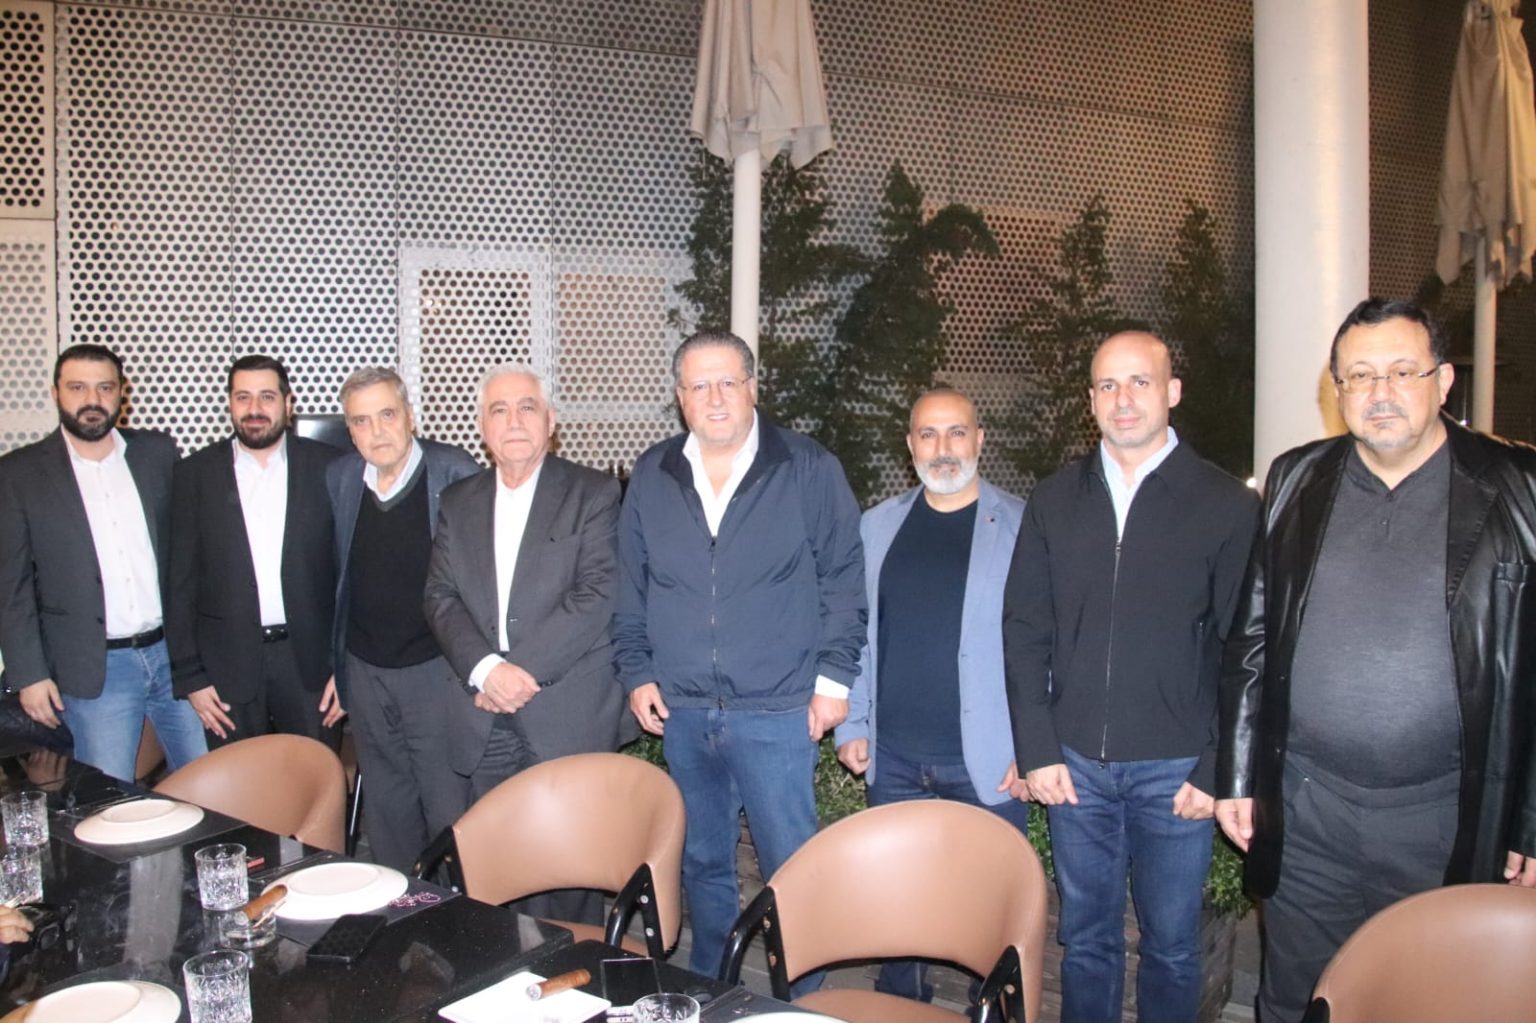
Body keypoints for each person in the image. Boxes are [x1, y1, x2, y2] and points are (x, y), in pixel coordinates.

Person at [1215, 298, 1536, 1022]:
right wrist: (1237, 776)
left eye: (1401, 371)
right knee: (1296, 998)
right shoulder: (1296, 478)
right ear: (1337, 389)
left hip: (1447, 818)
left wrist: (1532, 823)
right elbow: (1253, 636)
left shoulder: (1518, 486)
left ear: (1443, 380)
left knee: (1432, 1001)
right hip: (1309, 812)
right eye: (1359, 375)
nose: (1380, 392)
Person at [1004, 331, 1260, 1023]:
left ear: (1172, 391)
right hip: (1075, 767)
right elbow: (1024, 630)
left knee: (1172, 948)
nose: (1123, 399)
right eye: (1108, 385)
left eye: (1139, 382)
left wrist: (1218, 764)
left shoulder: (1226, 504)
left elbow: (1245, 646)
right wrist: (1038, 747)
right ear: (1091, 399)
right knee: (1085, 941)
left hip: (1176, 772)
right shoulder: (1055, 500)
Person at [613, 331, 866, 978]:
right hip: (685, 709)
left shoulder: (806, 466)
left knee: (791, 864)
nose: (716, 397)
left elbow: (843, 577)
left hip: (778, 709)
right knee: (702, 861)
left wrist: (834, 680)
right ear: (680, 397)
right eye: (699, 385)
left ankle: (803, 996)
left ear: (754, 387)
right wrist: (637, 670)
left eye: (729, 381)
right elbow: (630, 584)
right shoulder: (653, 473)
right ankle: (711, 988)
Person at [835, 386, 1028, 1005]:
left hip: (989, 762)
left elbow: (1045, 648)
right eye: (928, 434)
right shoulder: (877, 525)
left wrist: (1035, 748)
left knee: (991, 916)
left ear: (980, 439)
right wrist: (853, 723)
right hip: (893, 759)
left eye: (956, 432)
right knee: (897, 910)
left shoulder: (1023, 526)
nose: (943, 448)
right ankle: (898, 1011)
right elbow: (859, 633)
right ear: (910, 444)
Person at [422, 363, 625, 920]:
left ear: (550, 421)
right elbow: (439, 595)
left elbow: (597, 593)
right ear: (482, 427)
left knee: (571, 868)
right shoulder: (457, 501)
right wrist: (486, 670)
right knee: (497, 866)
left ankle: (573, 972)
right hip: (483, 713)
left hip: (566, 712)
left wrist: (516, 673)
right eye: (499, 410)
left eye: (527, 407)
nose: (513, 421)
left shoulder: (593, 493)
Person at [0, 345, 207, 780]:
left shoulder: (157, 454)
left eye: (104, 388)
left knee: (209, 781)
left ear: (121, 393)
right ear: (56, 393)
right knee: (109, 797)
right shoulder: (19, 474)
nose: (92, 400)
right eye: (78, 388)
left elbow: (190, 553)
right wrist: (29, 675)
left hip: (173, 656)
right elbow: (11, 585)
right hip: (96, 669)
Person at [326, 367, 479, 873]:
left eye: (387, 415)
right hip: (366, 671)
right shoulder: (341, 478)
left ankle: (459, 910)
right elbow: (335, 577)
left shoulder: (453, 472)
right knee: (388, 811)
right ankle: (400, 904)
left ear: (410, 416)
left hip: (435, 671)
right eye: (361, 421)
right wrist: (336, 666)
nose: (376, 431)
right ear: (350, 430)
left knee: (448, 810)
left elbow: (482, 577)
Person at [166, 355, 344, 748]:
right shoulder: (194, 475)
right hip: (224, 669)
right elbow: (179, 584)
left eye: (267, 397)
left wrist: (345, 668)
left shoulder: (331, 468)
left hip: (312, 666)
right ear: (230, 403)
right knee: (237, 782)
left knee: (314, 775)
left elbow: (349, 578)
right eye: (243, 397)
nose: (254, 409)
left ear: (288, 403)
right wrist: (191, 677)